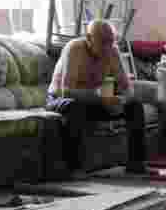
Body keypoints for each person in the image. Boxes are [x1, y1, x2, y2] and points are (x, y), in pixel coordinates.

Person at [46, 19, 147, 177]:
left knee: (134, 106)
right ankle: (74, 168)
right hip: (60, 99)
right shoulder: (75, 48)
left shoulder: (112, 51)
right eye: (103, 42)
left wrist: (122, 100)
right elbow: (66, 91)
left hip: (95, 101)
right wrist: (99, 96)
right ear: (89, 38)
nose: (108, 47)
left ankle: (136, 164)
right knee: (74, 108)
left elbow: (126, 86)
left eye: (111, 41)